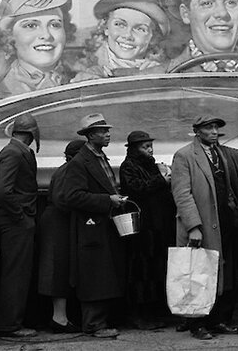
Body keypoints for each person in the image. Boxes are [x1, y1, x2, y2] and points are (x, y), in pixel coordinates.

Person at [171, 115, 238, 340]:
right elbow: (182, 194)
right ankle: (197, 324)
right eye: (208, 128)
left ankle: (217, 320)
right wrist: (193, 226)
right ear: (197, 131)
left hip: (223, 222)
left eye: (216, 128)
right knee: (198, 273)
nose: (214, 131)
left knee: (221, 272)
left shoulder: (221, 153)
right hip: (202, 223)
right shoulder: (184, 155)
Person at [57, 114, 127, 339]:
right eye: (102, 131)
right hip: (91, 227)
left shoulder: (100, 157)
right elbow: (72, 196)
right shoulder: (80, 162)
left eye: (107, 130)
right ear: (89, 135)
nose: (107, 134)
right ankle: (94, 325)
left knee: (103, 274)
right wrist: (108, 201)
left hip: (102, 225)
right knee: (94, 276)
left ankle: (99, 321)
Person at [118, 130, 174, 330]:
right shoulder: (128, 166)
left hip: (157, 225)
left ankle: (154, 310)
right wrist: (161, 179)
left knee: (155, 269)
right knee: (141, 271)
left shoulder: (152, 165)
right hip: (142, 227)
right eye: (145, 147)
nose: (149, 150)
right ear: (134, 149)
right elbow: (137, 188)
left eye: (150, 146)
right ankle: (139, 313)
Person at [0, 114, 41, 338]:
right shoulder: (13, 152)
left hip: (19, 220)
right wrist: (20, 216)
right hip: (15, 222)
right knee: (16, 273)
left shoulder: (18, 151)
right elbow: (3, 191)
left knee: (19, 272)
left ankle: (12, 322)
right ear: (32, 133)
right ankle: (9, 325)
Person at [37, 139, 85, 333]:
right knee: (58, 269)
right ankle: (59, 318)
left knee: (58, 268)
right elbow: (62, 199)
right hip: (58, 223)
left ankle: (60, 316)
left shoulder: (63, 169)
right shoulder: (69, 170)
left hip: (54, 220)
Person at [75, 0, 170, 80]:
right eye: (120, 24)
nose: (128, 35)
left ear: (153, 38)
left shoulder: (166, 70)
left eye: (140, 29)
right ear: (106, 27)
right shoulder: (82, 68)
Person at [0, 0, 75, 94]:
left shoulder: (86, 81)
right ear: (10, 35)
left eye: (55, 25)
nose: (46, 35)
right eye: (31, 25)